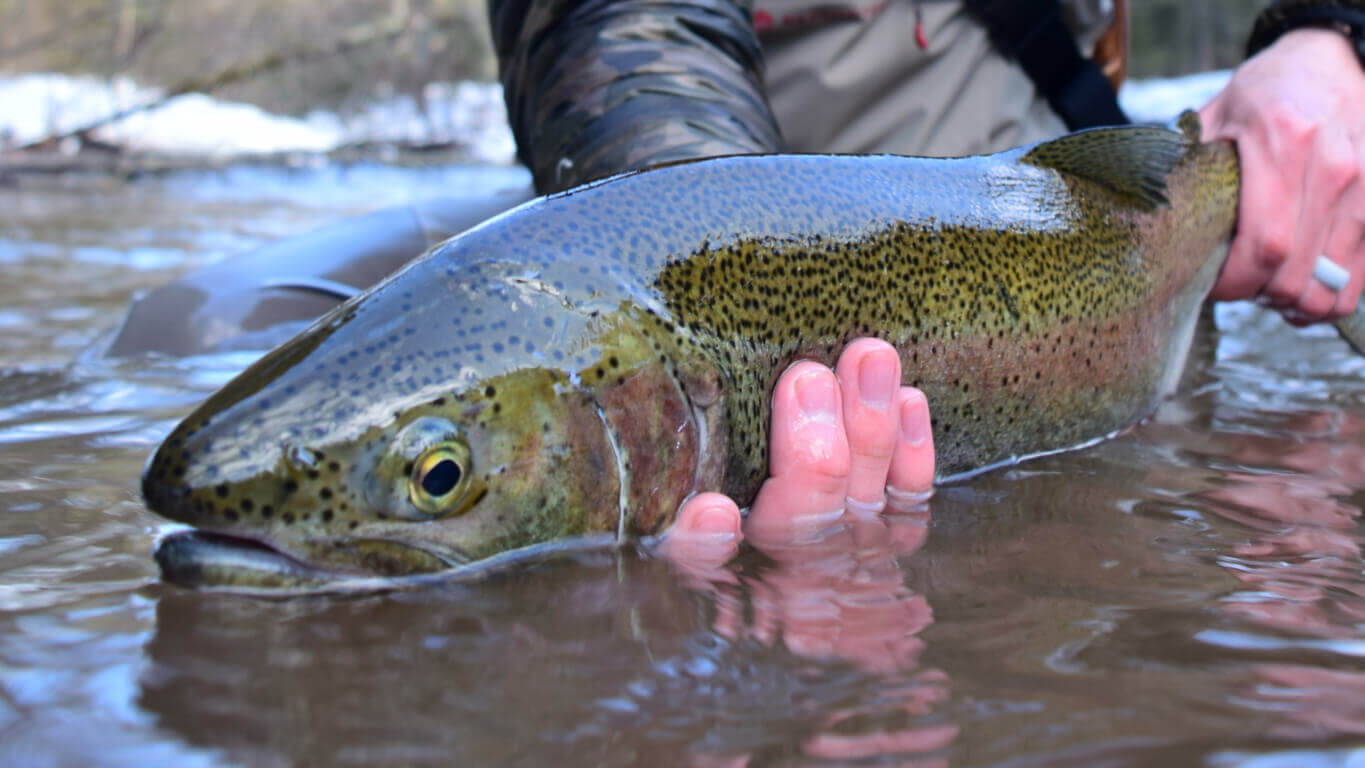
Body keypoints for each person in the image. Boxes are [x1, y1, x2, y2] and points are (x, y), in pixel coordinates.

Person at [116, 1, 1365, 555]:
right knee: (181, 325)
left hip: (1078, 182)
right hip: (678, 168)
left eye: (436, 478)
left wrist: (1331, 38)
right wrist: (694, 215)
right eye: (436, 478)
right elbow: (628, 26)